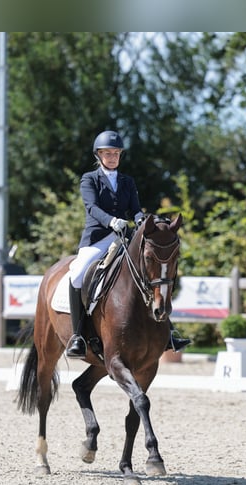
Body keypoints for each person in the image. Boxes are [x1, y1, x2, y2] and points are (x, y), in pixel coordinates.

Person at [65, 130, 191, 358]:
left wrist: (140, 219)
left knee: (151, 273)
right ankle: (78, 336)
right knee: (77, 274)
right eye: (108, 153)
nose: (112, 157)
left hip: (124, 236)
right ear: (99, 155)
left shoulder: (127, 181)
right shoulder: (89, 179)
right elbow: (92, 208)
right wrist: (112, 220)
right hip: (97, 238)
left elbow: (134, 209)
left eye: (116, 153)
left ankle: (169, 332)